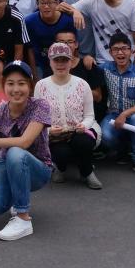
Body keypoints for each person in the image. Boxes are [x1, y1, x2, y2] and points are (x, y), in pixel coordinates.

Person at [0, 60, 52, 241]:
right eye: (10, 83)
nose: (16, 89)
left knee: (15, 152)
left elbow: (25, 142)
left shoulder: (40, 105)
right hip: (6, 164)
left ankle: (23, 218)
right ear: (4, 86)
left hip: (38, 168)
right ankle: (18, 195)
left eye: (21, 83)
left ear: (30, 86)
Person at [34, 42, 102, 189]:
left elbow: (90, 115)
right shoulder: (41, 85)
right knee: (62, 153)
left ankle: (87, 172)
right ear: (50, 62)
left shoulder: (82, 84)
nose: (60, 64)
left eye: (64, 60)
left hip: (79, 131)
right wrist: (49, 130)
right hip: (56, 134)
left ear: (71, 62)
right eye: (56, 60)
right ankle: (60, 167)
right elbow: (38, 118)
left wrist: (83, 125)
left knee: (83, 142)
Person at [99, 33, 135, 177]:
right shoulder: (104, 69)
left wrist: (125, 114)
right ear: (110, 52)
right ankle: (123, 149)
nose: (120, 53)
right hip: (113, 114)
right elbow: (88, 70)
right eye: (116, 49)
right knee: (104, 135)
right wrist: (87, 58)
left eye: (124, 48)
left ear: (131, 51)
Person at [24, 0, 76, 80]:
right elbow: (30, 49)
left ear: (57, 3)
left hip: (63, 62)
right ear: (37, 4)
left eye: (50, 3)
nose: (46, 6)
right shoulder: (29, 21)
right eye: (42, 3)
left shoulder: (68, 20)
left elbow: (74, 45)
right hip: (40, 64)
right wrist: (34, 76)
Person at [62, 28, 107, 123]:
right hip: (61, 119)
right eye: (62, 42)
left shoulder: (88, 65)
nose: (66, 45)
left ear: (76, 44)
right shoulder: (51, 69)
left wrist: (74, 87)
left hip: (88, 118)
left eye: (70, 42)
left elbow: (98, 97)